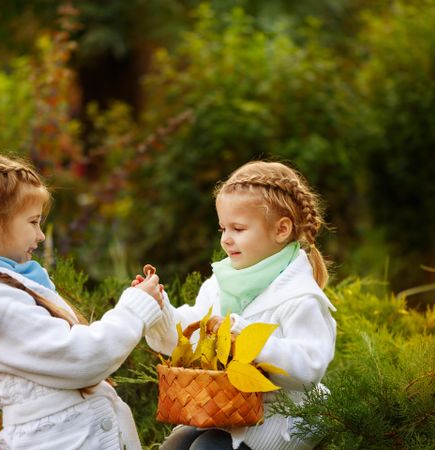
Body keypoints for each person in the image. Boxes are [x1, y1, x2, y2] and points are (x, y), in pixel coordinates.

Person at [0, 153, 164, 450]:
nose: (41, 235)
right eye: (33, 222)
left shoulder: (9, 287)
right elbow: (80, 357)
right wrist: (134, 309)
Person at [144, 161, 337, 450]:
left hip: (284, 412)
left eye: (238, 228)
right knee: (176, 444)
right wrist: (159, 310)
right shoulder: (223, 281)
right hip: (228, 406)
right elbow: (197, 330)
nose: (226, 240)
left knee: (206, 449)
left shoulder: (301, 297)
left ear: (281, 230)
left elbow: (310, 367)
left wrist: (248, 339)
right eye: (222, 228)